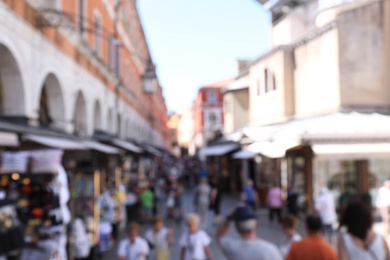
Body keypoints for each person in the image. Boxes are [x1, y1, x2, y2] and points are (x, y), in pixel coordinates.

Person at [216, 205, 283, 260]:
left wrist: (229, 217)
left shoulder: (231, 247)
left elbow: (220, 236)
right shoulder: (270, 250)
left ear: (237, 228)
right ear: (256, 225)